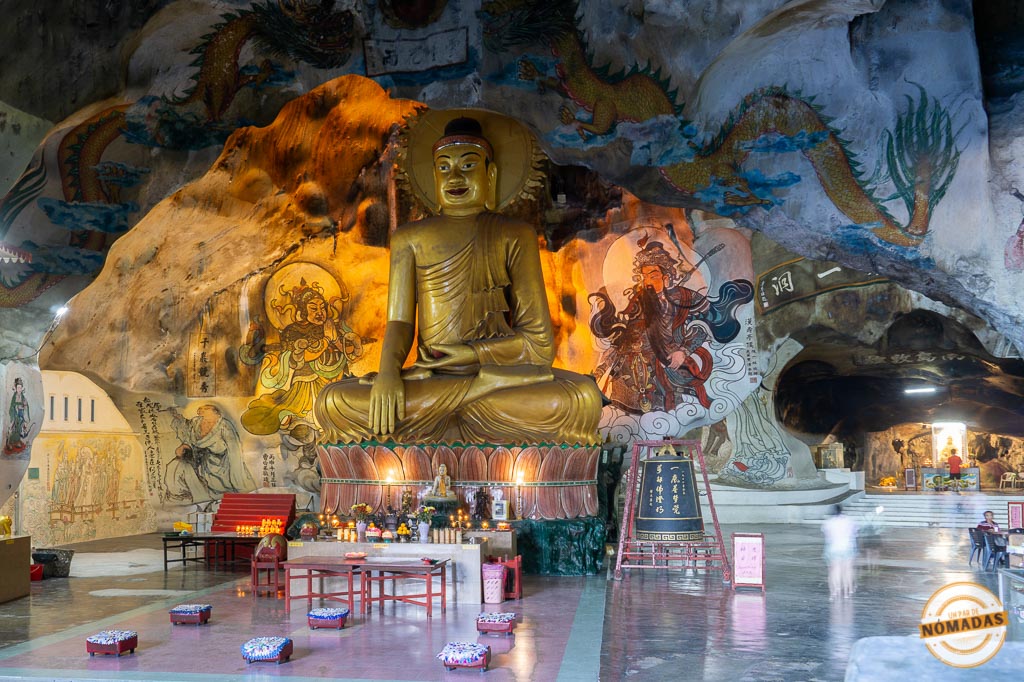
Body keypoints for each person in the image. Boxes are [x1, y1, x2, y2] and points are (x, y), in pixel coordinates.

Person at [314, 114, 602, 445]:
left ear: (490, 175)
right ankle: (474, 396)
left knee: (581, 398)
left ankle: (477, 392)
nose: (455, 176)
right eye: (444, 167)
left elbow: (538, 344)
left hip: (496, 380)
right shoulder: (410, 238)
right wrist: (389, 376)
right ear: (434, 177)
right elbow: (399, 322)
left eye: (468, 166)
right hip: (431, 381)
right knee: (333, 401)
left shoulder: (514, 235)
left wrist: (472, 355)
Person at [821, 505, 858, 600]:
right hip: (847, 547)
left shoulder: (829, 522)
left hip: (833, 548)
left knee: (834, 571)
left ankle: (834, 592)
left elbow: (827, 536)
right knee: (847, 570)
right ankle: (847, 591)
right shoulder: (848, 520)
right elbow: (854, 533)